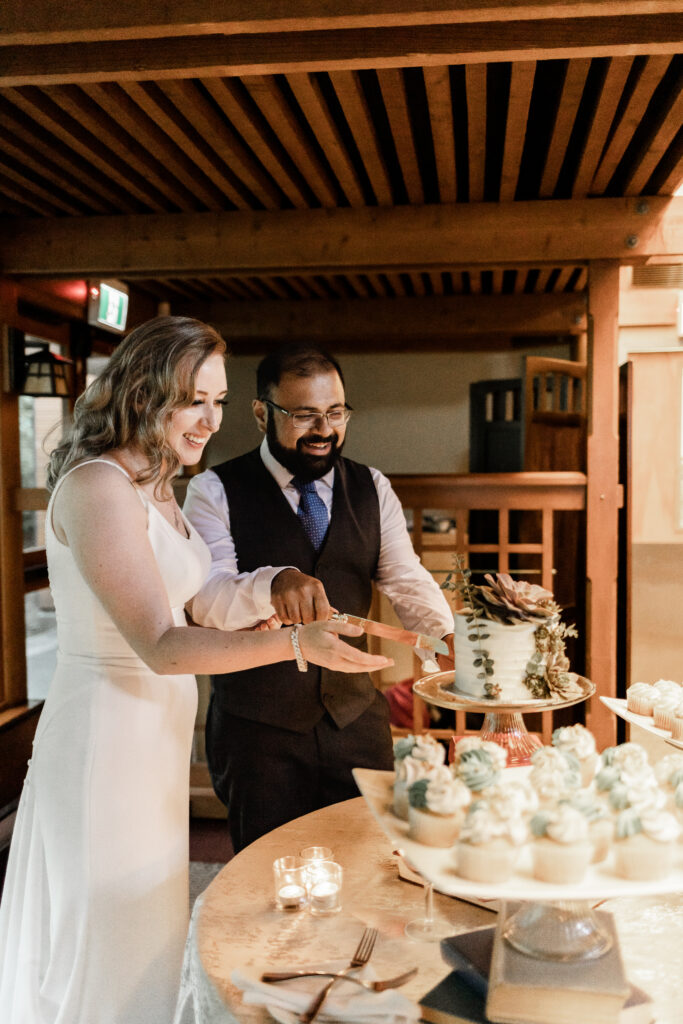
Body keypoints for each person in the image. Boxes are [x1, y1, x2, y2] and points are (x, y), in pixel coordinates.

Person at [0, 318, 392, 1024]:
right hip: (106, 740)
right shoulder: (99, 487)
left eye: (217, 401)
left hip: (152, 739)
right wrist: (297, 645)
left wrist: (278, 595)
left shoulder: (153, 485)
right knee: (109, 926)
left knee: (149, 919)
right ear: (146, 392)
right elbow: (160, 643)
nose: (209, 421)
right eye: (192, 400)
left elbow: (204, 599)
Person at [184, 345, 455, 853]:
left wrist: (445, 636)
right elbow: (207, 602)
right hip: (257, 733)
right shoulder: (213, 490)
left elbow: (406, 577)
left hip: (357, 723)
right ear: (262, 412)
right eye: (304, 415)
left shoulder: (372, 487)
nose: (324, 429)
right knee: (269, 886)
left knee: (370, 873)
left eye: (335, 413)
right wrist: (272, 582)